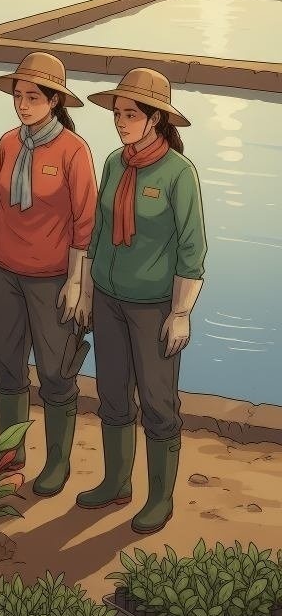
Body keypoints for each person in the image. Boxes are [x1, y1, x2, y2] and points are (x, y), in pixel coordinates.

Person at [76, 68, 206, 534]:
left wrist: (181, 313)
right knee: (112, 393)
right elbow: (97, 232)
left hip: (153, 306)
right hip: (109, 299)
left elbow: (192, 249)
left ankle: (160, 498)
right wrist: (86, 290)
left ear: (155, 119)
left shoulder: (179, 173)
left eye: (130, 114)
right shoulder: (114, 163)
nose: (120, 122)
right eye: (117, 113)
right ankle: (116, 481)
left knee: (157, 402)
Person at [0, 52, 97, 494]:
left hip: (52, 279)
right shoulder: (8, 143)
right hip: (5, 271)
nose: (22, 105)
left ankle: (57, 462)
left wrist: (78, 283)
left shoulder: (74, 150)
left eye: (33, 97)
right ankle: (10, 453)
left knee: (57, 374)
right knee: (7, 367)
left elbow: (86, 223)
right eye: (18, 96)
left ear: (54, 101)